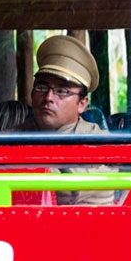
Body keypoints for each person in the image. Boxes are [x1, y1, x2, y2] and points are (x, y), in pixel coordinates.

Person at [30, 35, 115, 206]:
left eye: (62, 91)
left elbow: (71, 191)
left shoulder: (97, 142)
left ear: (82, 104)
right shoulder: (16, 133)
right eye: (41, 87)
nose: (48, 97)